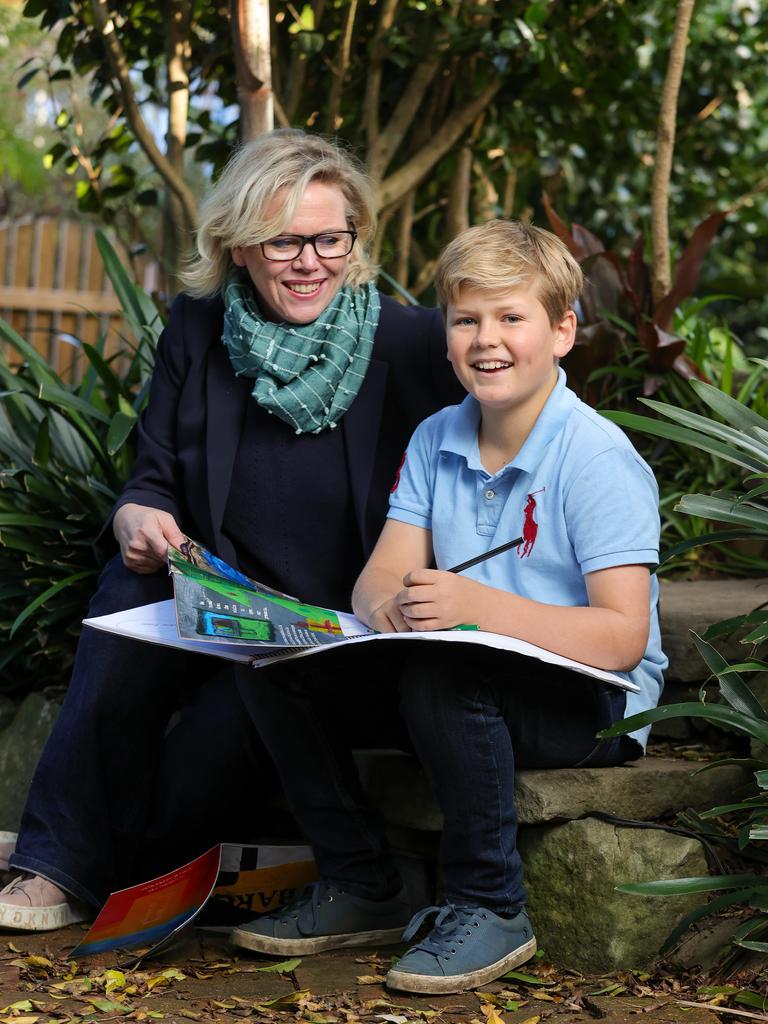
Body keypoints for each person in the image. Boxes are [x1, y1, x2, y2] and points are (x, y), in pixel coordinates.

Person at [0, 128, 461, 932]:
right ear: (238, 246)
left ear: (355, 241)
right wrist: (137, 518)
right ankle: (48, 866)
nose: (310, 260)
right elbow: (151, 478)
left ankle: (84, 867)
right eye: (284, 240)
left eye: (329, 238)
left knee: (213, 752)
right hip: (214, 610)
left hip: (329, 644)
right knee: (129, 579)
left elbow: (513, 432)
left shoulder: (415, 342)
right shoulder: (197, 328)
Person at [229, 220, 666, 994]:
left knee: (445, 678)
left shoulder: (596, 457)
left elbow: (622, 638)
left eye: (510, 318)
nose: (486, 340)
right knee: (274, 667)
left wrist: (476, 607)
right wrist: (392, 606)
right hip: (461, 676)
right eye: (466, 320)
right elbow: (377, 580)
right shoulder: (437, 437)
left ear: (563, 331)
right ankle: (365, 880)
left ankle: (491, 903)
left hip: (594, 701)